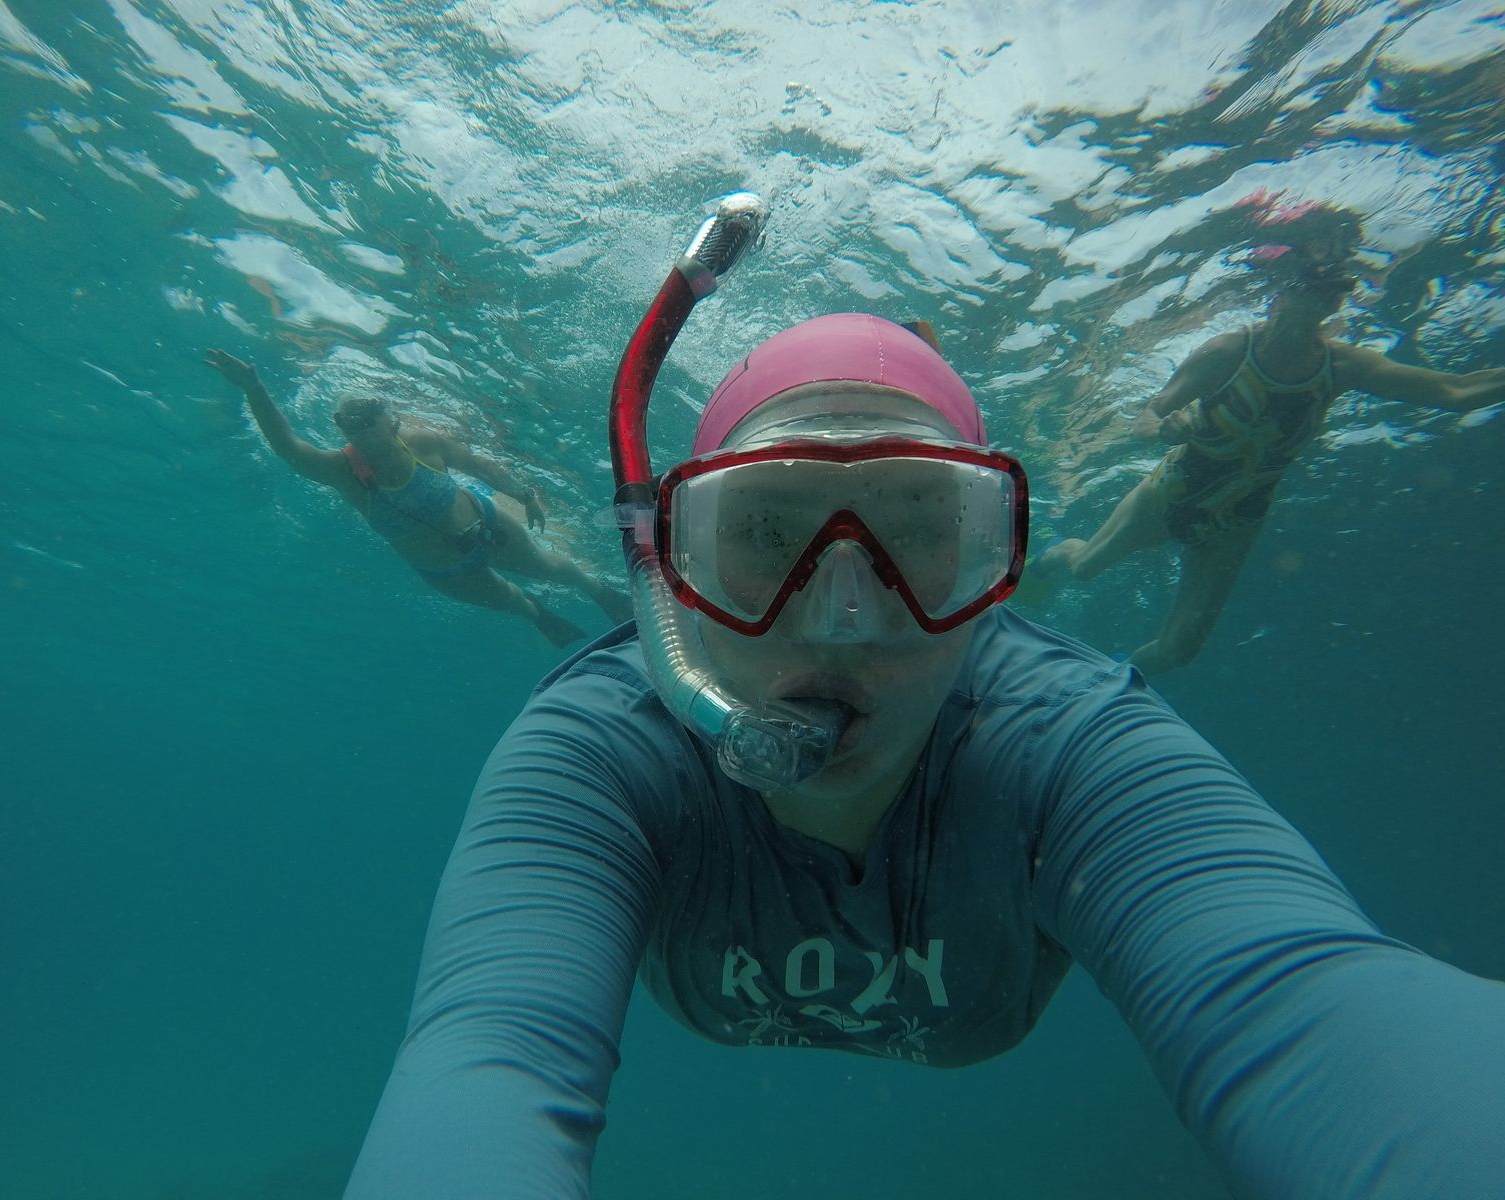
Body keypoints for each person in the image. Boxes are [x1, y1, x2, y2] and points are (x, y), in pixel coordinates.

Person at [343, 311, 1505, 1200]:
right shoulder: (603, 750)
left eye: (916, 536)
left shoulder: (1066, 746)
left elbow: (1309, 994)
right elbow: (485, 1053)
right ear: (670, 573)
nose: (842, 617)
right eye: (761, 532)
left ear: (989, 562)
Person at [1024, 200, 1505, 672]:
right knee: (1085, 567)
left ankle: (1101, 687)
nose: (1321, 297)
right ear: (1277, 291)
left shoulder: (1344, 365)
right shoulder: (1228, 352)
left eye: (1330, 289)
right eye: (1310, 285)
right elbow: (1150, 413)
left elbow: (1454, 391)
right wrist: (1163, 429)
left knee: (1179, 651)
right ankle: (1049, 562)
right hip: (1169, 494)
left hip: (1237, 521)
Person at [203, 349, 630, 646]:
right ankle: (541, 618)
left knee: (548, 565)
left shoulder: (423, 442)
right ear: (343, 429)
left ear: (390, 421)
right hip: (445, 571)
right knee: (513, 601)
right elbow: (288, 449)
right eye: (351, 423)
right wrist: (254, 388)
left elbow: (478, 464)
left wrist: (526, 494)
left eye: (370, 418)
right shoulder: (343, 472)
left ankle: (600, 591)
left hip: (487, 525)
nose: (362, 429)